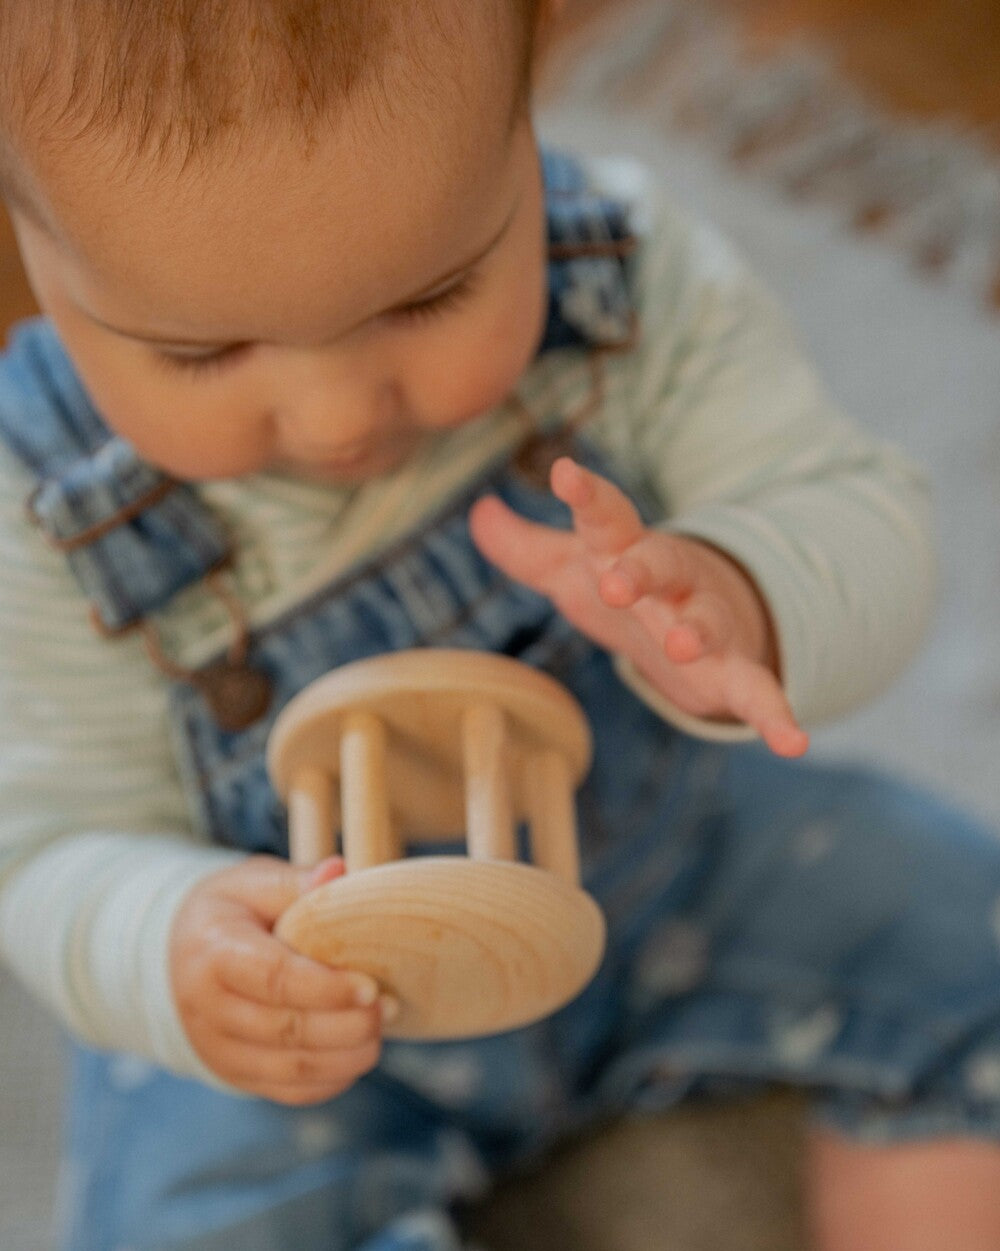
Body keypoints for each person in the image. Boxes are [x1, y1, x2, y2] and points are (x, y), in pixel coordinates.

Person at [0, 2, 999, 1249]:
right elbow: (44, 842)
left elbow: (854, 508)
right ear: (40, 259)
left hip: (671, 872)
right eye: (202, 351)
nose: (333, 418)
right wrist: (170, 942)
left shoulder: (626, 287)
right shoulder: (48, 506)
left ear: (524, 140)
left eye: (431, 295)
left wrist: (745, 592)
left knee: (973, 943)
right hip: (315, 1012)